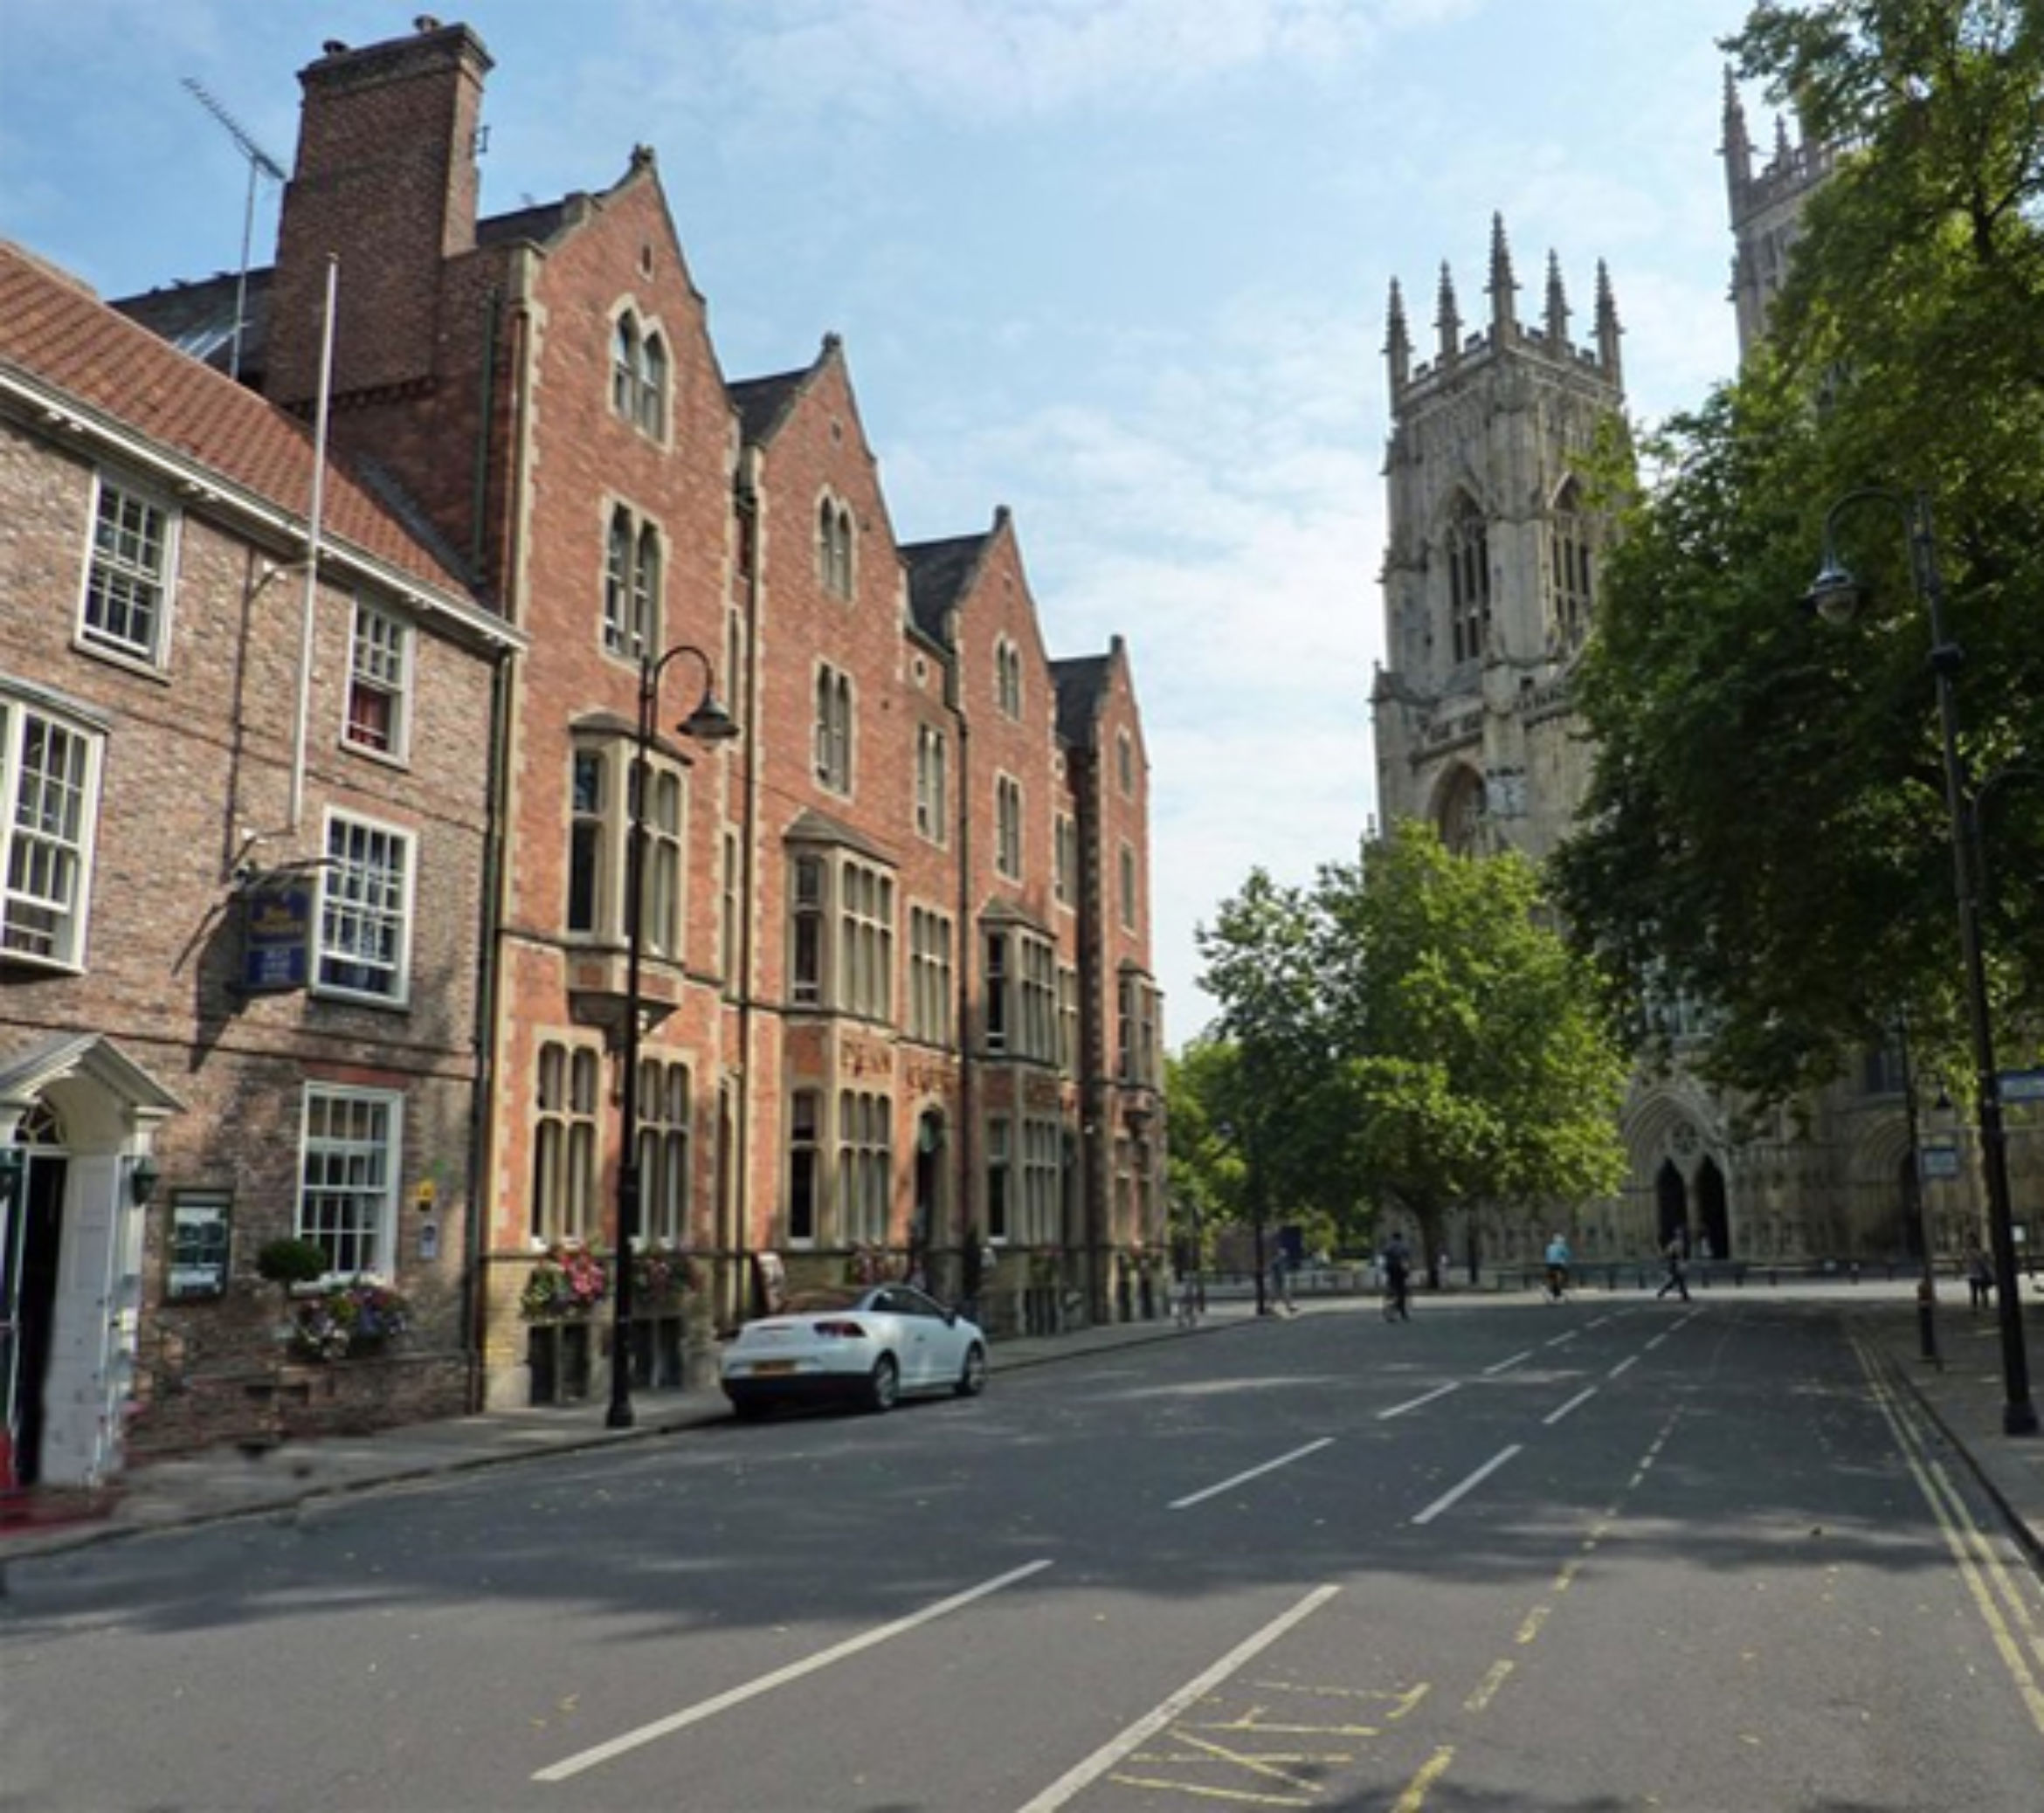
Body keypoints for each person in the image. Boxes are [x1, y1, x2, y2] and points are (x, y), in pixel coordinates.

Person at [1381, 1233, 1412, 1321]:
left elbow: (1383, 1255)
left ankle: (1390, 1299)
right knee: (1402, 1289)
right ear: (1400, 1238)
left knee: (1392, 1285)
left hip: (1390, 1269)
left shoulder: (1388, 1246)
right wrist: (1407, 1272)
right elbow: (1406, 1259)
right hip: (1400, 1269)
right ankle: (1402, 1310)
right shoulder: (1404, 1247)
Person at [1656, 1237, 1691, 1303]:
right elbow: (1671, 1255)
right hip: (1674, 1266)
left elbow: (1678, 1256)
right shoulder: (1674, 1246)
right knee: (1678, 1280)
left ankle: (1662, 1292)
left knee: (1676, 1281)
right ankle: (1684, 1295)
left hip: (1676, 1266)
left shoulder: (1674, 1245)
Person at [1543, 1231, 1572, 1302]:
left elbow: (1547, 1256)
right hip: (1558, 1264)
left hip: (1549, 1264)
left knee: (1552, 1278)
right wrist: (1567, 1262)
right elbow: (1567, 1255)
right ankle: (1562, 1290)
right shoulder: (1562, 1247)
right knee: (1564, 1275)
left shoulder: (1550, 1246)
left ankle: (1551, 1292)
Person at [1967, 1246, 1993, 1311]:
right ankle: (1976, 1307)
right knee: (1975, 1292)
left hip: (1979, 1275)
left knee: (1981, 1291)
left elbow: (1983, 1264)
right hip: (1973, 1275)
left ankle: (1983, 1305)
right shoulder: (1969, 1254)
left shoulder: (1977, 1253)